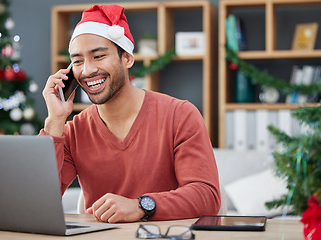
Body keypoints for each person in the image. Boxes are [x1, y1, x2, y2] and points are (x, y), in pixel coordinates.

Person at [40, 4, 220, 224]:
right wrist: (54, 121)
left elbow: (207, 196)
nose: (86, 71)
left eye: (98, 56)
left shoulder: (180, 115)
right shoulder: (73, 131)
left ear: (127, 58)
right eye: (77, 61)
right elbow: (36, 200)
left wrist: (140, 206)